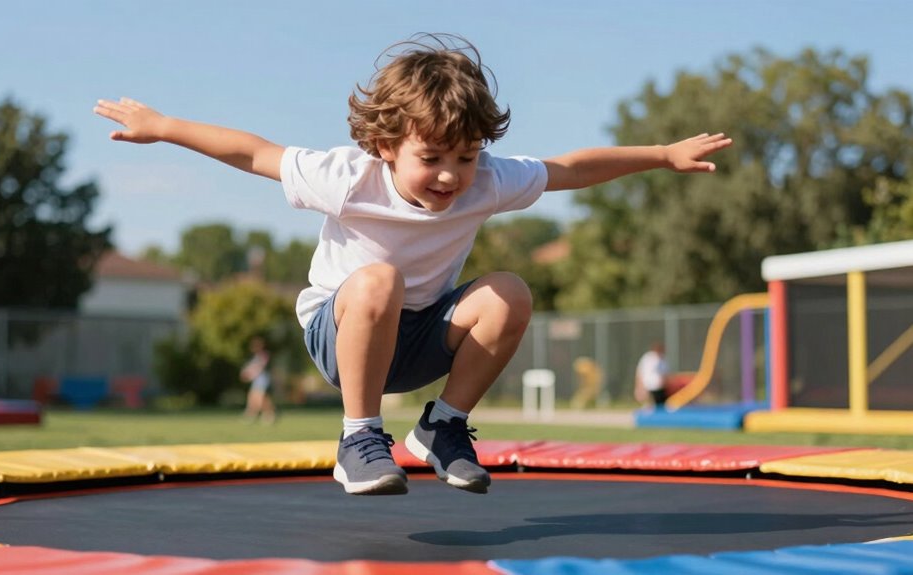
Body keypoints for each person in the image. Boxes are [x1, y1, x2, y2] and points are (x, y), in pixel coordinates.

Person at [94, 33, 731, 496]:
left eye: (468, 155)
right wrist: (163, 125)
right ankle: (360, 438)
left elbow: (570, 168)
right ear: (385, 145)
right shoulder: (347, 178)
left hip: (424, 335)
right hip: (342, 331)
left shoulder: (487, 181)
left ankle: (443, 427)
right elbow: (254, 153)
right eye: (431, 158)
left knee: (509, 292)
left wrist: (661, 154)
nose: (452, 176)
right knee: (380, 279)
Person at [240, 336, 276, 424]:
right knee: (258, 398)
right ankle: (266, 414)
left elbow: (259, 368)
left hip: (262, 380)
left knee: (259, 398)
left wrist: (249, 375)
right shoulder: (256, 357)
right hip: (257, 380)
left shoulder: (264, 355)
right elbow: (251, 368)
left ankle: (255, 415)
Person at [635, 342, 669, 408]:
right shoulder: (647, 358)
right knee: (649, 407)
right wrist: (639, 387)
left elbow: (665, 376)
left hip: (660, 389)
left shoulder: (664, 360)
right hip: (648, 387)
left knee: (660, 407)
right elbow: (640, 373)